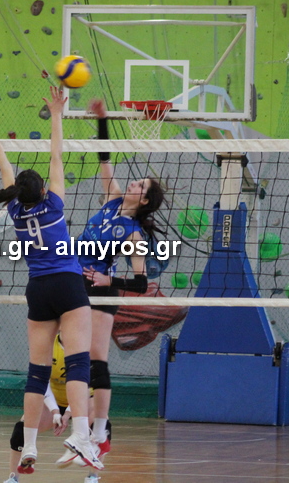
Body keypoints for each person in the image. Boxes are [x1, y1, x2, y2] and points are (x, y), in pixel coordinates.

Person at [0, 85, 103, 474]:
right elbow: (56, 154)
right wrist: (57, 113)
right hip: (67, 283)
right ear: (44, 190)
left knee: (37, 372)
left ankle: (29, 445)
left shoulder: (14, 209)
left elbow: (4, 167)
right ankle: (80, 436)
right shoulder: (54, 204)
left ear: (18, 193)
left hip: (38, 289)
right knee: (78, 363)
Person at [79, 98, 166, 453]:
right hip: (74, 281)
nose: (133, 183)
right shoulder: (112, 198)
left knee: (96, 358)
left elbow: (142, 283)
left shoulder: (134, 236)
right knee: (74, 356)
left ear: (144, 200)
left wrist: (108, 281)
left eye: (140, 185)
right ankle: (83, 425)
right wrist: (102, 119)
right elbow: (104, 158)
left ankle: (101, 430)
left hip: (100, 290)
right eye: (136, 181)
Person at [3, 333, 107, 483]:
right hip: (55, 399)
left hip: (82, 400)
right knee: (21, 430)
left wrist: (68, 413)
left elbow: (85, 386)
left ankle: (92, 477)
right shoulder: (49, 344)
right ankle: (14, 478)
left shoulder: (88, 346)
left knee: (102, 425)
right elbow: (41, 382)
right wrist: (55, 411)